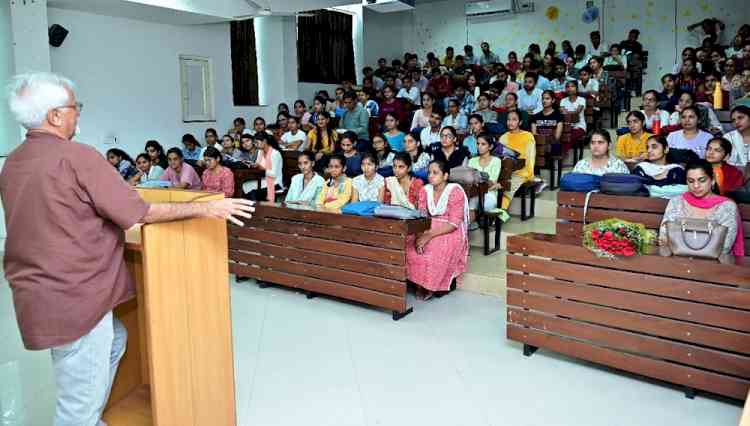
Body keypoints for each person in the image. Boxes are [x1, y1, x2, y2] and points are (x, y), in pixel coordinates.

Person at [1, 72, 254, 426]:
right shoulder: (76, 157)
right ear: (55, 116)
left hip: (40, 292)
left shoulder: (14, 161)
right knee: (75, 408)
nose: (78, 115)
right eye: (75, 108)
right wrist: (205, 207)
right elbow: (140, 211)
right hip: (76, 295)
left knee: (115, 341)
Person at [407, 160, 469, 301]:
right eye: (429, 172)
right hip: (427, 226)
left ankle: (430, 286)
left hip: (449, 229)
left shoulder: (455, 191)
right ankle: (419, 284)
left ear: (445, 176)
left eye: (435, 173)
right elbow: (422, 216)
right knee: (410, 246)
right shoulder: (425, 190)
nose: (430, 176)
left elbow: (454, 223)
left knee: (435, 251)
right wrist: (419, 236)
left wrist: (428, 236)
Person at [659, 160, 743, 263]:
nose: (696, 186)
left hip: (715, 264)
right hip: (677, 261)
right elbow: (664, 238)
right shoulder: (677, 202)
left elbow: (725, 246)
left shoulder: (726, 206)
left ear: (712, 180)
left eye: (702, 180)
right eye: (691, 181)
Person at [498, 111, 536, 209]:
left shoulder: (528, 136)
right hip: (505, 171)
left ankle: (499, 215)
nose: (510, 122)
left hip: (521, 172)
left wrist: (529, 174)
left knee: (507, 189)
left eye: (514, 120)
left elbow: (531, 158)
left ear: (520, 122)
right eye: (508, 119)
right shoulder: (504, 137)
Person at [468, 133, 503, 222]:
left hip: (489, 194)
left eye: (483, 144)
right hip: (474, 193)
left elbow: (492, 182)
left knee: (485, 205)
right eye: (478, 144)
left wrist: (480, 181)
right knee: (470, 203)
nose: (479, 146)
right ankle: (469, 227)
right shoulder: (472, 161)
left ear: (490, 147)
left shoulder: (496, 161)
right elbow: (468, 180)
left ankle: (479, 221)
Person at [560, 81, 587, 149]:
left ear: (576, 89)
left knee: (569, 137)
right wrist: (571, 112)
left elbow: (577, 112)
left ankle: (560, 154)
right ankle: (557, 155)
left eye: (572, 86)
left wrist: (567, 112)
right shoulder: (563, 100)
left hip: (579, 126)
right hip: (565, 126)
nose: (570, 88)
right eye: (567, 87)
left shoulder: (581, 100)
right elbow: (562, 112)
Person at [724, 105, 750, 170]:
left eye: (740, 118)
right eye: (733, 120)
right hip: (733, 175)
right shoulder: (728, 137)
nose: (736, 122)